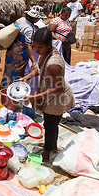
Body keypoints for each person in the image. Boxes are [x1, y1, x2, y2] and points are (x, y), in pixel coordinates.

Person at [17, 28, 74, 162]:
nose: (37, 50)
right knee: (51, 124)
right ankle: (52, 146)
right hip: (50, 93)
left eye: (40, 47)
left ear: (49, 44)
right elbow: (39, 69)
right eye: (35, 46)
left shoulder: (54, 64)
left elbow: (58, 88)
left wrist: (34, 97)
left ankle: (46, 153)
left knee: (50, 126)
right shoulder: (46, 52)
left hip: (57, 97)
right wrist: (26, 77)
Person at [1, 5, 46, 87]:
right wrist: (33, 61)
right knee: (17, 72)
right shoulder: (30, 29)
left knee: (8, 69)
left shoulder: (21, 20)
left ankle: (4, 85)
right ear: (35, 17)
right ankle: (12, 89)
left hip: (11, 49)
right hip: (20, 54)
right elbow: (28, 46)